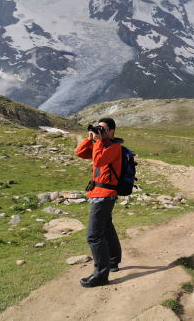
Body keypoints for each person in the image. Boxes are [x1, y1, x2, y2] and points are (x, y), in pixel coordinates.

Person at [75, 118, 123, 287]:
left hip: (105, 194)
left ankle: (101, 275)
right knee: (106, 227)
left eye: (103, 129)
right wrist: (90, 139)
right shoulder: (100, 145)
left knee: (94, 236)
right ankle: (113, 260)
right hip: (98, 193)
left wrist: (99, 142)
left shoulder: (114, 148)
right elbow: (80, 153)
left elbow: (99, 161)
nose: (99, 132)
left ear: (112, 132)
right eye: (98, 128)